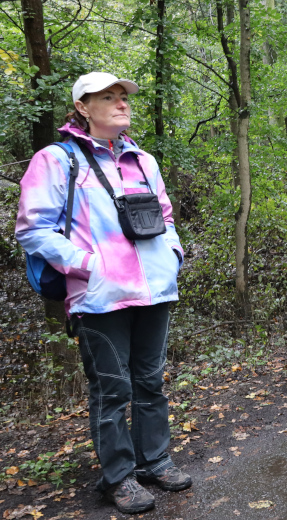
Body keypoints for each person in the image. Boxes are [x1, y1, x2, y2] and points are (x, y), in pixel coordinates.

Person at [16, 72, 189, 514]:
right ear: (82, 107)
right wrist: (89, 266)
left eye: (123, 97)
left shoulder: (143, 160)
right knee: (111, 389)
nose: (121, 103)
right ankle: (119, 476)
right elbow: (34, 230)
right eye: (107, 97)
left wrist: (173, 255)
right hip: (100, 297)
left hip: (154, 290)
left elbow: (165, 215)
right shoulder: (56, 160)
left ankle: (155, 460)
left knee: (150, 382)